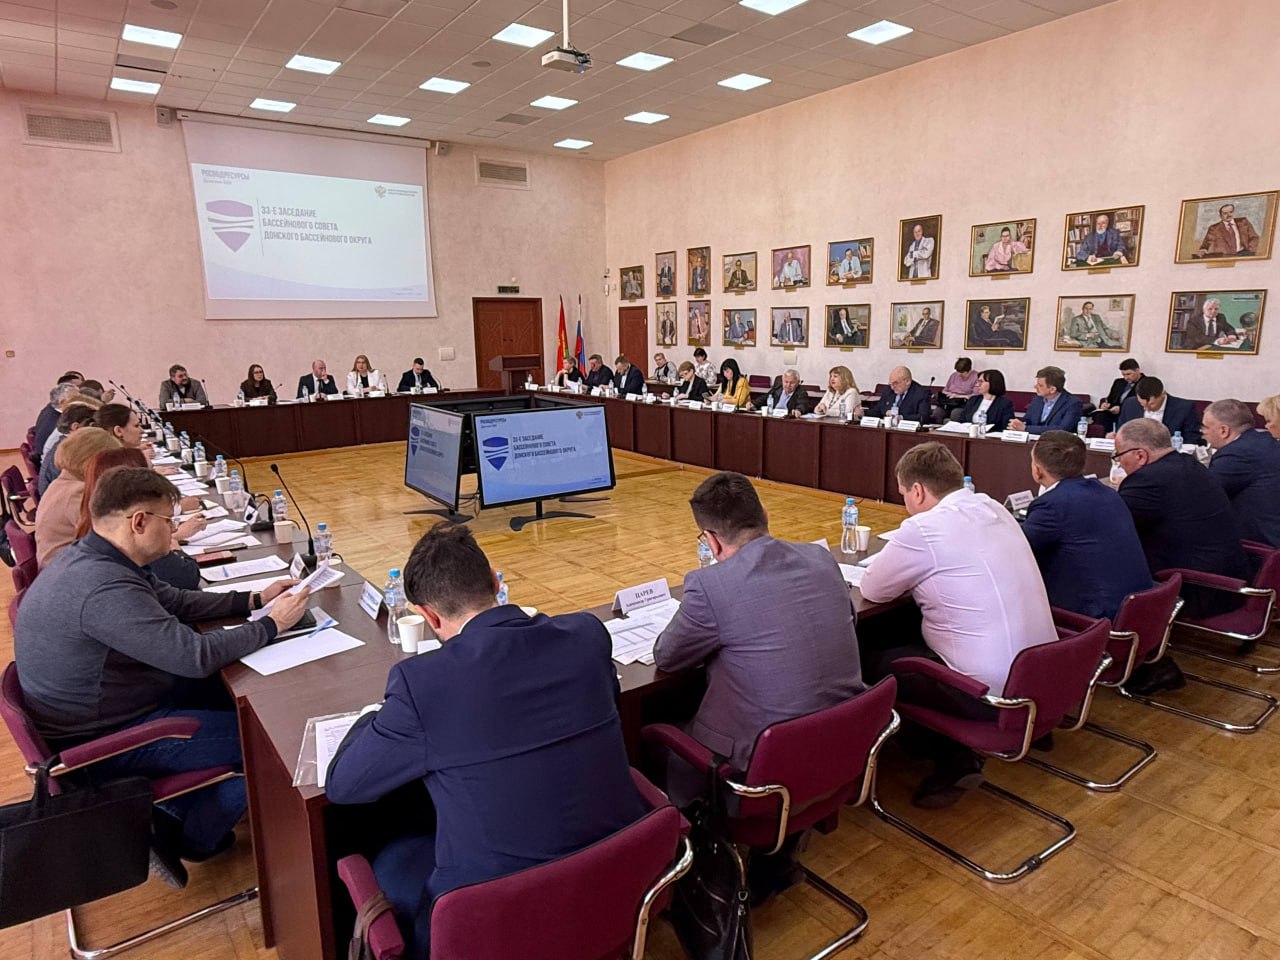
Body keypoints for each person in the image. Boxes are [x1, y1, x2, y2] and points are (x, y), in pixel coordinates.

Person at [326, 524, 644, 960]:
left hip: (499, 918)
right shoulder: (587, 635)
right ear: (495, 581)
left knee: (391, 857)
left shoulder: (422, 685)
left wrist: (375, 719)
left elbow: (344, 786)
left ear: (428, 617)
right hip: (617, 881)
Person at [17, 467, 308, 886]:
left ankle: (178, 806)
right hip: (108, 741)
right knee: (270, 739)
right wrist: (271, 624)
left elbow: (177, 602)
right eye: (168, 521)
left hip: (106, 711)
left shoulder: (95, 557)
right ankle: (191, 837)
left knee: (239, 700)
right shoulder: (102, 588)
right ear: (139, 521)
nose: (173, 531)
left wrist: (253, 599)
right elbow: (195, 656)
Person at [654, 471, 864, 815]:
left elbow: (667, 657)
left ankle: (696, 830)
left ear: (711, 542)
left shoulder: (709, 586)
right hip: (843, 745)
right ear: (765, 514)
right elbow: (849, 619)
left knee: (656, 733)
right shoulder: (821, 558)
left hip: (762, 774)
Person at [860, 443, 1056, 807]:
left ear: (917, 491)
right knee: (907, 623)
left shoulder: (924, 528)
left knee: (870, 660)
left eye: (904, 494)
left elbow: (873, 589)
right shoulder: (993, 507)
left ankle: (953, 757)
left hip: (992, 696)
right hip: (1047, 677)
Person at [1114, 419, 1249, 682]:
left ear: (1140, 455)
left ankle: (1134, 655)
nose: (1119, 463)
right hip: (1229, 574)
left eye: (1119, 456)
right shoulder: (1189, 464)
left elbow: (1111, 526)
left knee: (1102, 563)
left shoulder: (1149, 480)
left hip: (1201, 588)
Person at [1023, 431, 1153, 620]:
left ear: (1037, 470)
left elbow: (1019, 550)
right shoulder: (1107, 492)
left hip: (1098, 615)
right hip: (1139, 604)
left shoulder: (1052, 505)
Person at [77, 447, 205, 589]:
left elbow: (169, 596)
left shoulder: (92, 538)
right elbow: (185, 577)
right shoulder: (118, 579)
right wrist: (175, 542)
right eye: (168, 520)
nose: (173, 528)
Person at [35, 428, 122, 569]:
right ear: (93, 461)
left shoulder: (62, 484)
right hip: (69, 570)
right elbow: (109, 538)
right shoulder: (77, 492)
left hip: (65, 565)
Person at [1202, 399, 1280, 548]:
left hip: (1262, 546)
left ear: (1224, 430)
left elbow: (1205, 497)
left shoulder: (1235, 455)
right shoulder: (1264, 440)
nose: (1202, 432)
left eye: (1205, 427)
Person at [1115, 377, 1203, 446]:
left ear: (1163, 394)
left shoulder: (1184, 408)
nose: (1146, 409)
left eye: (1152, 404)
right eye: (1142, 404)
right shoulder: (1130, 404)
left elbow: (1192, 440)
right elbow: (1122, 430)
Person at [38, 402, 99, 494]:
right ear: (76, 427)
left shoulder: (63, 444)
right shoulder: (69, 452)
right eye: (91, 426)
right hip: (60, 497)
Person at [1009, 366, 1083, 435]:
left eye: (1040, 385)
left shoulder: (1073, 403)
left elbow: (1063, 429)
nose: (1035, 387)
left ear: (1052, 389)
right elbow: (1028, 420)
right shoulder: (1037, 399)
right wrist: (1017, 424)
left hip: (1058, 442)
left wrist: (1026, 428)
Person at [1093, 357, 1146, 432]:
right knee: (1100, 416)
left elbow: (1142, 403)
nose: (1126, 378)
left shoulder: (1146, 383)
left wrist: (1121, 409)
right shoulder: (1119, 382)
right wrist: (1105, 404)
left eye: (1128, 374)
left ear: (1137, 371)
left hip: (1132, 414)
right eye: (1123, 375)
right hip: (1114, 413)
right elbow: (1109, 399)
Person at [34, 380, 82, 457]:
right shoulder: (59, 422)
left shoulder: (49, 410)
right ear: (62, 402)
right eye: (77, 399)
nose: (81, 402)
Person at [1194, 203, 1260, 258]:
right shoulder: (1214, 228)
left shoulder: (1243, 222)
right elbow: (1207, 242)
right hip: (1225, 257)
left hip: (1243, 254)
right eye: (1225, 213)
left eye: (1231, 212)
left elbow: (1254, 237)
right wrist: (1203, 249)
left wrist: (1250, 251)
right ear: (1220, 216)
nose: (1229, 215)